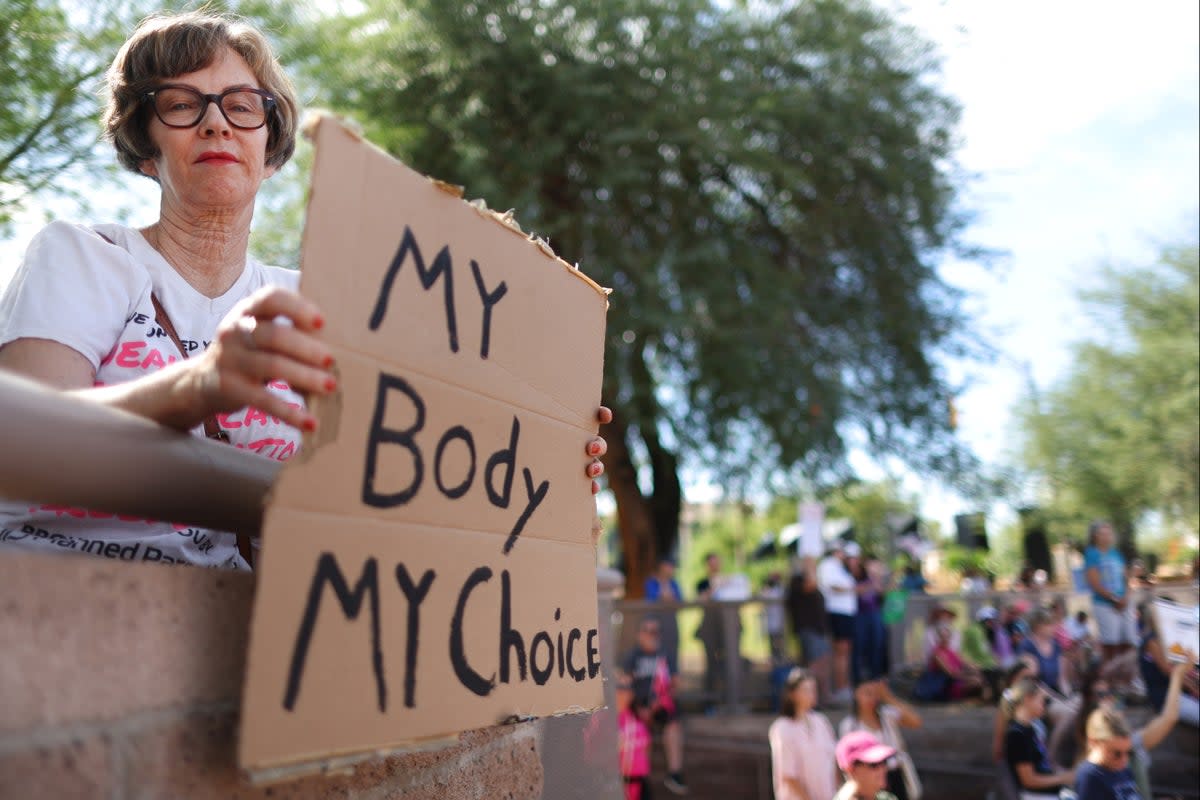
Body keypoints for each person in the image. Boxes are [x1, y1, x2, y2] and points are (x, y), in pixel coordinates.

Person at [0, 10, 610, 568]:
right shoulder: (81, 257)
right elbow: (20, 446)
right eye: (182, 104)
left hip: (261, 643)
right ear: (145, 147)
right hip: (67, 613)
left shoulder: (319, 308)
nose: (216, 122)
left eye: (242, 105)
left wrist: (535, 461)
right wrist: (199, 386)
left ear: (270, 149)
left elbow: (404, 482)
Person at [1073, 663, 1191, 800]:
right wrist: (1177, 676)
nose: (1109, 699)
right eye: (1100, 695)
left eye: (1111, 693)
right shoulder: (1090, 774)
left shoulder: (1123, 758)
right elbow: (1169, 718)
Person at [620, 618, 688, 795]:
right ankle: (640, 779)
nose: (652, 635)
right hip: (636, 708)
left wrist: (660, 701)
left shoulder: (666, 655)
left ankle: (675, 774)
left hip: (660, 708)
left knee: (673, 727)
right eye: (648, 631)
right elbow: (624, 685)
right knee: (640, 732)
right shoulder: (633, 656)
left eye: (655, 632)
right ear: (639, 634)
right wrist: (638, 707)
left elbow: (674, 684)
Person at [839, 680, 923, 800]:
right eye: (867, 693)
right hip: (867, 779)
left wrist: (888, 697)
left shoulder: (887, 715)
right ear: (856, 694)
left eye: (875, 693)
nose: (871, 698)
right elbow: (847, 760)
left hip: (897, 775)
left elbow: (916, 721)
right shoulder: (849, 725)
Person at [768, 667, 839, 800]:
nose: (811, 694)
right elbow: (788, 774)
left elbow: (833, 761)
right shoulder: (782, 728)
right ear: (792, 694)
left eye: (813, 689)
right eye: (805, 690)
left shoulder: (821, 721)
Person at [1002, 677, 1077, 799]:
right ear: (1028, 699)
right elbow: (1029, 780)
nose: (1045, 705)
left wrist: (1062, 773)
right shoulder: (1017, 735)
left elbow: (1042, 765)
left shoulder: (1030, 728)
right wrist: (1063, 778)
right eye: (1042, 700)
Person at [1137, 601, 1199, 727]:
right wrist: (1194, 687)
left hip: (1180, 692)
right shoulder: (1152, 641)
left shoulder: (1172, 637)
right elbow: (1171, 672)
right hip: (1167, 696)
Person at [1083, 522, 1136, 668]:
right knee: (1111, 642)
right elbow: (1094, 582)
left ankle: (1127, 673)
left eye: (1109, 533)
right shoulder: (1091, 554)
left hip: (1124, 602)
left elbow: (1126, 578)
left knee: (1129, 640)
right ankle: (1110, 674)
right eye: (1103, 533)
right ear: (1095, 536)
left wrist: (1125, 597)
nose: (1107, 537)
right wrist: (1114, 599)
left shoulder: (1115, 553)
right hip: (1105, 604)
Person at [785, 555, 833, 705]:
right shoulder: (797, 581)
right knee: (814, 665)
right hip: (809, 630)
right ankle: (812, 698)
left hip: (819, 630)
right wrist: (811, 566)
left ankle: (822, 697)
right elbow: (810, 584)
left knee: (823, 663)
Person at [819, 541, 858, 703]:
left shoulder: (840, 567)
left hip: (845, 614)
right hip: (838, 613)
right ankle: (840, 688)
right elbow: (833, 587)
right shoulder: (828, 565)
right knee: (840, 652)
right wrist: (856, 589)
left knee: (844, 652)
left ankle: (843, 686)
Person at [851, 550, 887, 683]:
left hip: (875, 614)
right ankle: (858, 679)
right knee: (859, 646)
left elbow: (881, 592)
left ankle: (876, 677)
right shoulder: (857, 576)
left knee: (877, 645)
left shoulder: (875, 578)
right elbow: (857, 591)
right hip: (860, 615)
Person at [615, 673, 653, 800]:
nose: (623, 693)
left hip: (638, 779)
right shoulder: (604, 719)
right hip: (613, 780)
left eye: (627, 689)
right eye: (619, 688)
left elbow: (647, 746)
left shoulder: (636, 717)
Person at [833, 730, 900, 800]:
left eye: (884, 761)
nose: (883, 768)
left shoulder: (888, 798)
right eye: (874, 764)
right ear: (851, 770)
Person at [644, 558, 683, 675]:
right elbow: (653, 598)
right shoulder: (651, 582)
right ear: (661, 567)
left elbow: (679, 601)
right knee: (656, 653)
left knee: (673, 653)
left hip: (671, 622)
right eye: (668, 566)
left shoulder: (674, 583)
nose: (671, 570)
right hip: (655, 622)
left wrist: (666, 596)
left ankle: (672, 681)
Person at [761, 571, 787, 666]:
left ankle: (781, 663)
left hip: (780, 622)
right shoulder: (767, 590)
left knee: (781, 645)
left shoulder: (781, 589)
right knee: (773, 646)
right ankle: (776, 663)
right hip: (770, 623)